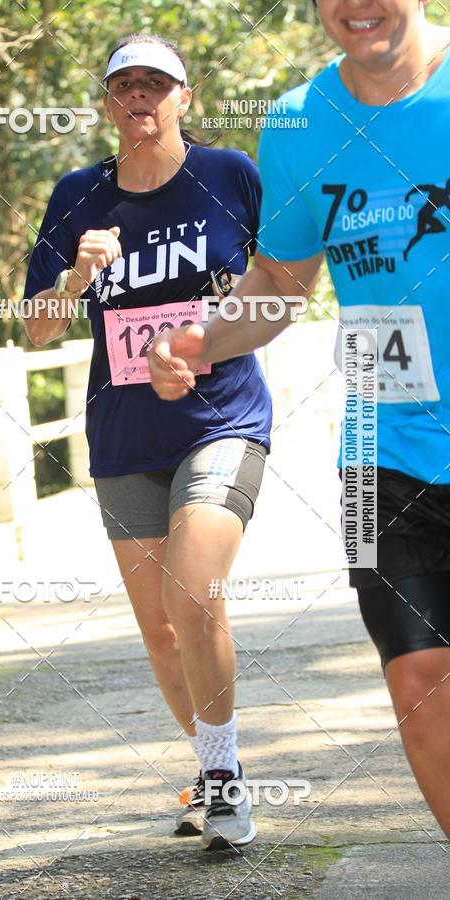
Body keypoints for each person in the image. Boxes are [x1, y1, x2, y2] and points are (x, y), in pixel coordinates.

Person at [150, 1, 450, 838]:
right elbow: (283, 282)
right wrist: (203, 338)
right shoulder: (298, 121)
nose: (358, 7)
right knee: (418, 686)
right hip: (384, 451)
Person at [23, 34, 273, 850]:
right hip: (125, 435)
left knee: (193, 592)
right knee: (163, 629)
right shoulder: (78, 195)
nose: (140, 96)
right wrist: (73, 280)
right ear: (108, 102)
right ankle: (212, 767)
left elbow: (282, 282)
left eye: (156, 84)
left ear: (183, 98)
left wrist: (213, 335)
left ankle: (226, 785)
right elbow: (35, 329)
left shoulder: (229, 175)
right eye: (125, 84)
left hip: (222, 417)